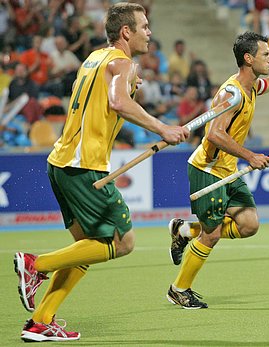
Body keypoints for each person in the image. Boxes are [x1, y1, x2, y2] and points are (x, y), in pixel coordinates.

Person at [13, 2, 189, 342]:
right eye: (144, 26)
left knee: (87, 247)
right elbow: (118, 103)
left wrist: (131, 86)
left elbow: (108, 101)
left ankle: (40, 322)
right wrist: (163, 128)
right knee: (123, 243)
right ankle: (36, 265)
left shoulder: (95, 58)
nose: (150, 32)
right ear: (127, 32)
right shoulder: (122, 62)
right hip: (85, 167)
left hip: (61, 163)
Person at [166, 31, 269, 309]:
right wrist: (250, 155)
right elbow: (214, 133)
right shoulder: (233, 93)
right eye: (265, 54)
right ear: (248, 59)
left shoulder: (251, 86)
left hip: (227, 170)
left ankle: (186, 230)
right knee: (212, 235)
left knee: (249, 224)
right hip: (208, 170)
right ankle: (179, 289)